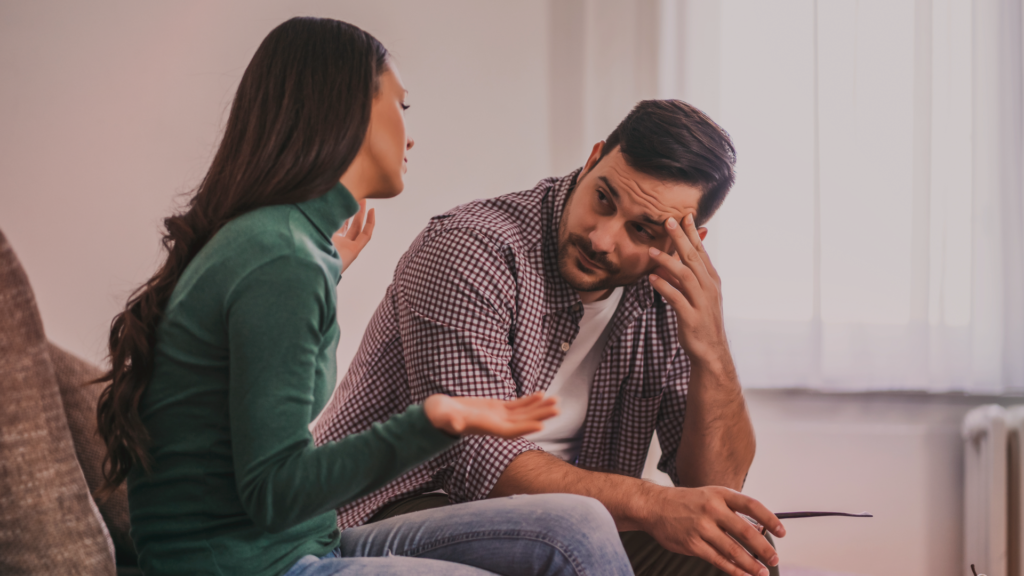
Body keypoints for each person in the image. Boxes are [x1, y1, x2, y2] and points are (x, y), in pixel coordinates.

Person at [93, 17, 634, 576]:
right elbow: (275, 493)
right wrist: (434, 420)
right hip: (244, 567)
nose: (411, 134)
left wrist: (320, 278)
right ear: (347, 109)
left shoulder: (284, 248)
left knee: (579, 525)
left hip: (303, 542)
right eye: (402, 105)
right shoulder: (280, 259)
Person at [313, 99, 787, 576]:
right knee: (572, 528)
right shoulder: (471, 249)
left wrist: (712, 350)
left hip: (566, 526)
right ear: (593, 159)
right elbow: (478, 461)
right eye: (603, 198)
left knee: (734, 550)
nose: (602, 238)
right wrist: (650, 503)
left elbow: (716, 485)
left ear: (688, 241)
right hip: (392, 511)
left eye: (641, 229)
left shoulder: (669, 294)